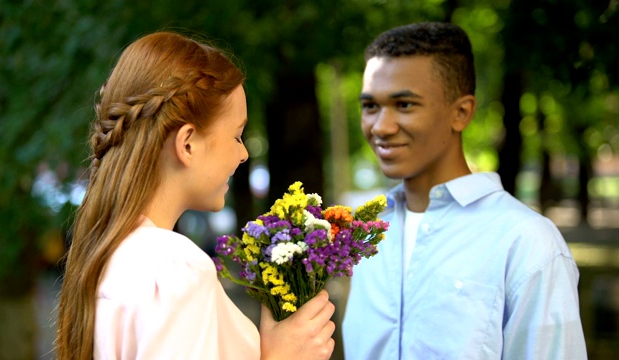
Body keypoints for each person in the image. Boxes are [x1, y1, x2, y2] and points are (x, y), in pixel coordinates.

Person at [55, 31, 336, 360]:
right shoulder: (174, 267)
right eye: (237, 135)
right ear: (187, 143)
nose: (243, 154)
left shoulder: (108, 256)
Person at [341, 22, 587, 359]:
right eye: (370, 106)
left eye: (405, 105)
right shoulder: (364, 234)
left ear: (461, 112)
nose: (381, 127)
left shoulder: (525, 241)